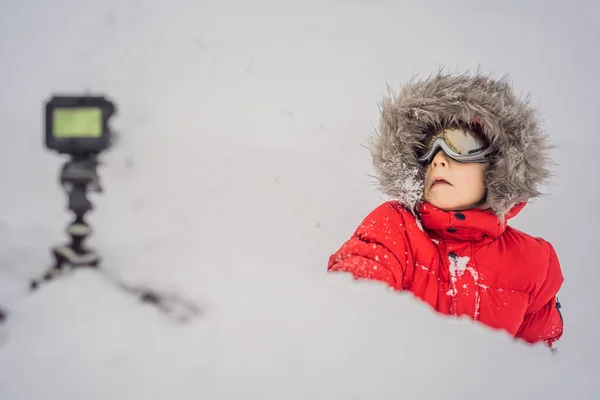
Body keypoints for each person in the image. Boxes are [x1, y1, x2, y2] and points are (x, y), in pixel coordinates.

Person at [327, 71, 564, 347]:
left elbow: (538, 367)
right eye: (430, 150)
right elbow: (353, 301)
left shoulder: (533, 262)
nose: (438, 160)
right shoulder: (396, 228)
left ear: (497, 165)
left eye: (460, 145)